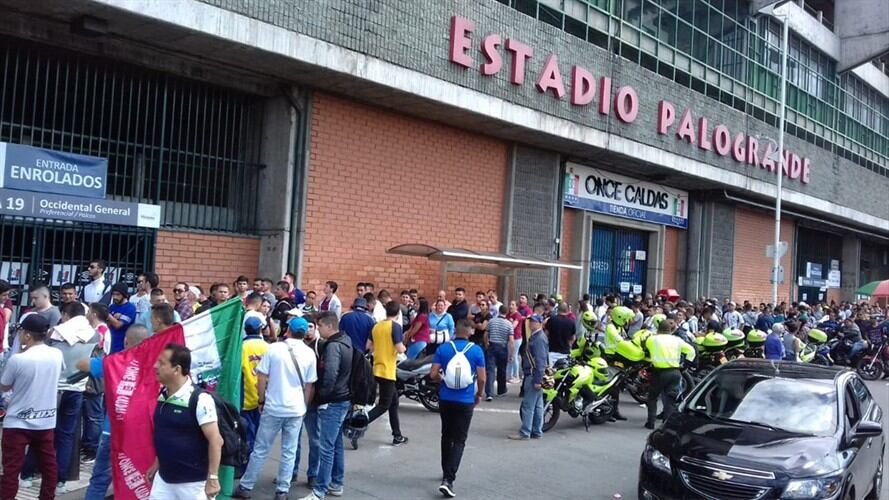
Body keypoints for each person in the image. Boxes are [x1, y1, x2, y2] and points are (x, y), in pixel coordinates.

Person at [234, 317, 317, 500]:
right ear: (304, 333)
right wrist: (303, 406)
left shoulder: (274, 348)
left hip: (273, 407)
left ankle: (246, 486)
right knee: (289, 450)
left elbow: (261, 377)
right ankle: (282, 490)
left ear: (287, 330)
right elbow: (309, 386)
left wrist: (261, 400)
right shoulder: (309, 353)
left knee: (261, 448)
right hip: (296, 409)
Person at [79, 325, 149, 500]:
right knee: (137, 479)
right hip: (141, 433)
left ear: (126, 341)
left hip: (112, 430)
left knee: (100, 479)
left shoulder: (113, 361)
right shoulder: (155, 365)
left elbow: (81, 364)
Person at [0, 314, 66, 500]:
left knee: (11, 470)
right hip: (45, 420)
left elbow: (4, 385)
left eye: (21, 332)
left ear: (27, 335)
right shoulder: (56, 354)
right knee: (49, 466)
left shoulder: (18, 359)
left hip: (17, 423)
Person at [148, 344, 223, 500]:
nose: (156, 366)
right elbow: (166, 433)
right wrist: (158, 462)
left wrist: (213, 478)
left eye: (162, 363)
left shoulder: (200, 399)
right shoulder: (162, 395)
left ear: (177, 369)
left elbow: (216, 440)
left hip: (193, 485)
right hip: (164, 480)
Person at [428, 318, 486, 498]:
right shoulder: (476, 350)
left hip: (446, 399)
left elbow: (432, 374)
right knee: (460, 439)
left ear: (456, 331)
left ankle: (445, 470)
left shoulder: (443, 349)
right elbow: (482, 378)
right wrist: (479, 394)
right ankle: (448, 479)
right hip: (465, 400)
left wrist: (443, 380)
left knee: (446, 435)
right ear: (469, 331)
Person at [299, 311, 352, 500]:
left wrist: (322, 396)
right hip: (342, 398)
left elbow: (330, 374)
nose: (318, 329)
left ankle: (320, 490)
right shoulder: (346, 341)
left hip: (333, 401)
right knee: (335, 444)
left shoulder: (332, 347)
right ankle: (336, 483)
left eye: (319, 326)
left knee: (326, 447)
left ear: (329, 326)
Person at [366, 301, 408, 445]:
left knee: (393, 402)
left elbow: (368, 346)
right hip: (387, 370)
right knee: (384, 405)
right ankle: (359, 422)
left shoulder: (376, 326)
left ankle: (397, 435)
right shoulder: (395, 327)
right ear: (398, 314)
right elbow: (400, 348)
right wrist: (403, 347)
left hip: (377, 367)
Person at [644, 319, 695, 429]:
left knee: (652, 397)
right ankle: (666, 425)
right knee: (670, 400)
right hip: (675, 373)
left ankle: (650, 423)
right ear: (671, 330)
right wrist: (684, 366)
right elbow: (691, 351)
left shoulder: (652, 339)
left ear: (658, 329)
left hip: (659, 373)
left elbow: (645, 351)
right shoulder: (677, 340)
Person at [293, 318, 322, 488]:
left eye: (311, 327)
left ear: (315, 328)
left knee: (315, 439)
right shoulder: (296, 347)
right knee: (293, 440)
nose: (308, 330)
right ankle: (292, 472)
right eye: (306, 327)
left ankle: (313, 474)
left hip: (313, 402)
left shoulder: (321, 347)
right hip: (296, 399)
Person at [509, 314, 547, 440]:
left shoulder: (538, 338)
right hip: (535, 374)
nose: (530, 324)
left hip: (533, 375)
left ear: (539, 323)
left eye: (533, 322)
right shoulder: (538, 337)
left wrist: (537, 380)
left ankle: (525, 432)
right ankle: (536, 431)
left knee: (528, 406)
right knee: (537, 406)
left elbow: (540, 361)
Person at [239, 316, 269, 465]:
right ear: (260, 329)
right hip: (263, 396)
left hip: (245, 397)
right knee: (258, 433)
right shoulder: (267, 346)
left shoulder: (241, 347)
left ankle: (246, 462)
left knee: (246, 433)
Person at [485, 305, 514, 398]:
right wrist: (511, 354)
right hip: (503, 347)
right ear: (506, 312)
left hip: (492, 346)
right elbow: (511, 341)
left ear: (499, 311)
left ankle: (489, 393)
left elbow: (486, 334)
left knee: (490, 370)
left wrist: (486, 343)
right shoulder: (509, 324)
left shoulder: (491, 321)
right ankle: (501, 391)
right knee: (502, 370)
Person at [106, 282, 136, 353]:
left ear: (124, 294)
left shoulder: (130, 308)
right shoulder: (111, 306)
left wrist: (108, 315)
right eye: (113, 294)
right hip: (110, 344)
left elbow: (118, 325)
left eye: (118, 294)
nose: (115, 297)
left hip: (122, 345)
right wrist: (113, 318)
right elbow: (107, 325)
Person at [506, 300, 524, 384]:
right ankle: (509, 375)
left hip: (516, 338)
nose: (511, 306)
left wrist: (508, 324)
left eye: (513, 305)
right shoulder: (508, 314)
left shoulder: (518, 315)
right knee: (509, 356)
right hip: (509, 338)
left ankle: (516, 376)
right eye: (510, 304)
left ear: (516, 307)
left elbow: (513, 326)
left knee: (514, 356)